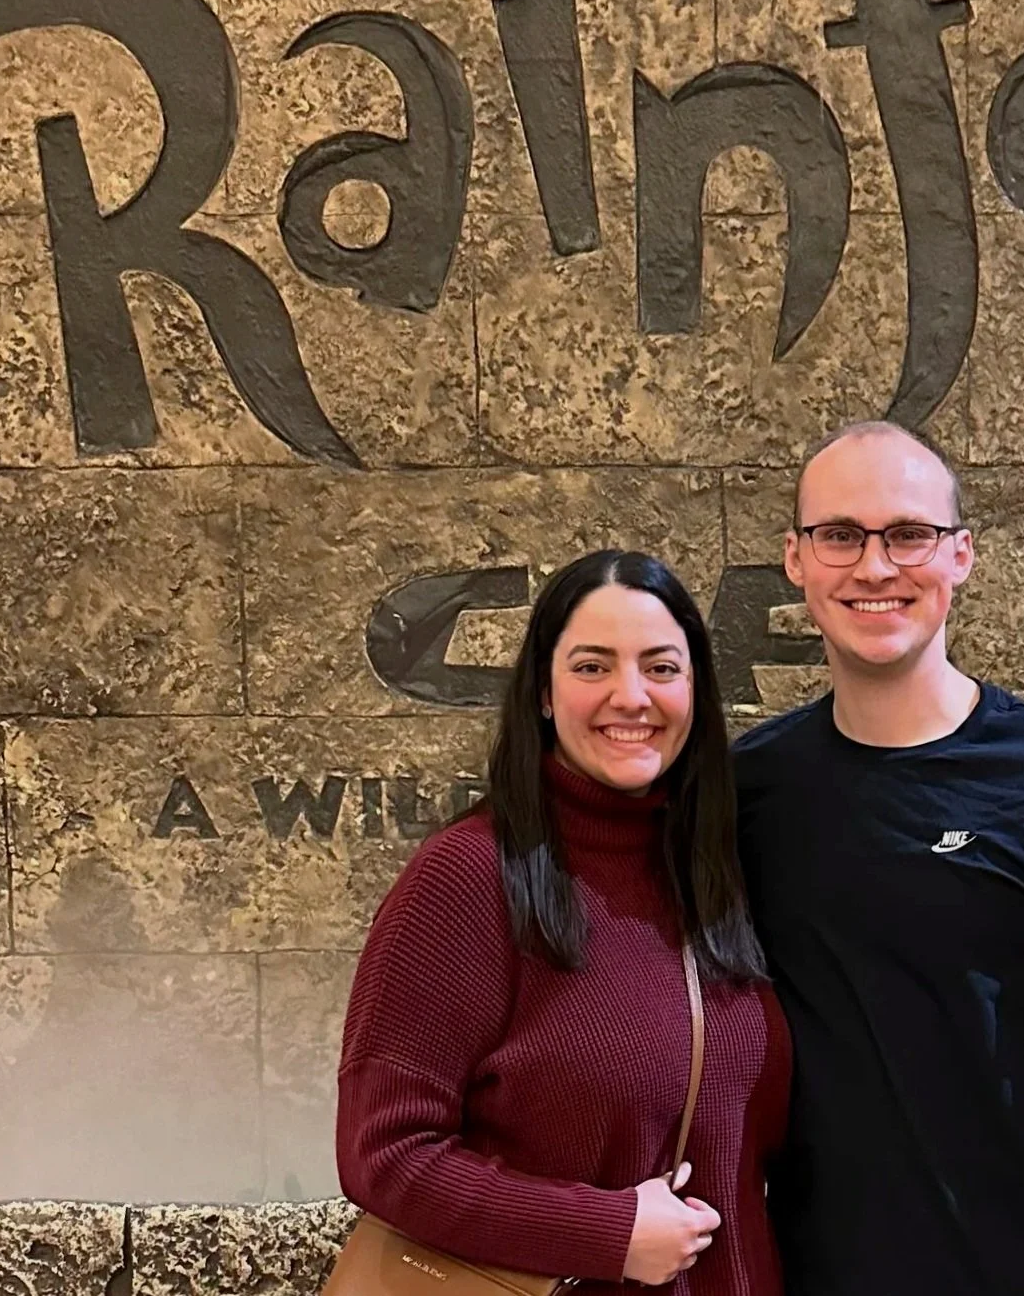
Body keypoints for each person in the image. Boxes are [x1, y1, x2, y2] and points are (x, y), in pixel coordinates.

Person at [734, 422, 1024, 1296]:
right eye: (839, 534)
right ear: (795, 560)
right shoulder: (748, 793)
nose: (874, 566)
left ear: (960, 556)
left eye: (908, 534)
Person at [338, 549, 790, 1294]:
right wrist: (605, 1234)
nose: (630, 695)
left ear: (696, 691)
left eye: (661, 667)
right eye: (591, 666)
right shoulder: (466, 877)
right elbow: (383, 1152)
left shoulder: (712, 873)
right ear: (543, 693)